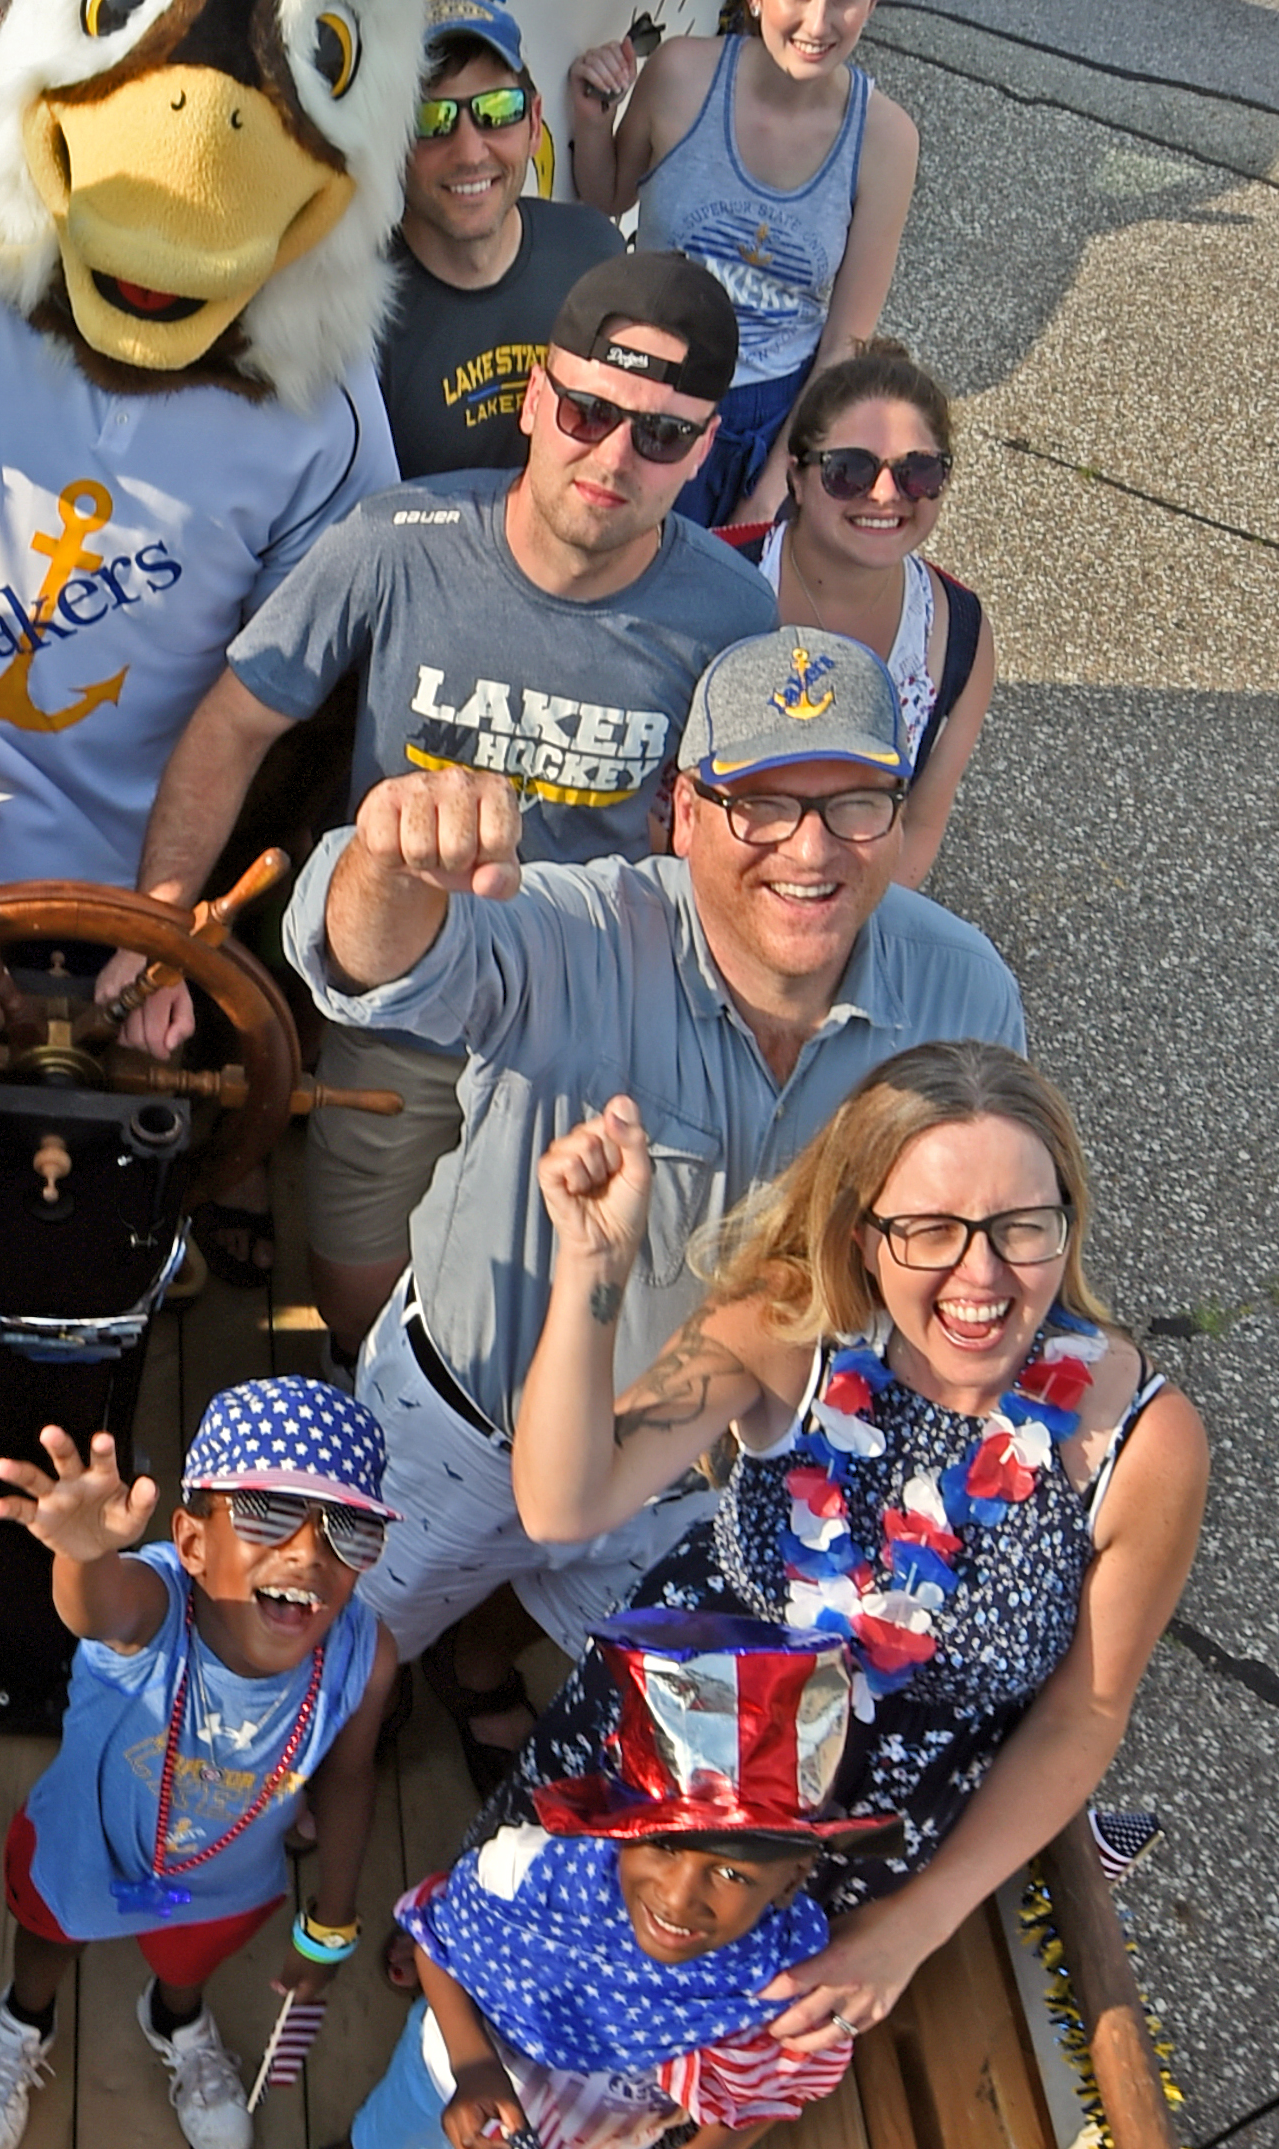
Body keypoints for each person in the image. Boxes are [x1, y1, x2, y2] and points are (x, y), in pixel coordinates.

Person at [283, 625, 1027, 1760]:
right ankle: (295, 1780)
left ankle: (477, 1667)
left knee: (603, 1671)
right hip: (462, 1425)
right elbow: (373, 968)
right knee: (326, 1648)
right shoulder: (578, 926)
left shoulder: (962, 985)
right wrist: (383, 860)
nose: (808, 848)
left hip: (693, 1472)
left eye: (852, 802)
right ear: (677, 813)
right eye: (759, 803)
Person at [496, 1043, 1208, 2047]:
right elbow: (561, 1506)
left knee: (707, 2049)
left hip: (879, 1835)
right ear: (861, 1232)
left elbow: (1080, 1716)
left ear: (1065, 1223)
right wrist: (589, 1271)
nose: (982, 1276)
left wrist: (908, 1927)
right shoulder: (788, 1326)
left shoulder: (1139, 1443)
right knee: (519, 1947)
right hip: (665, 1754)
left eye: (1020, 1228)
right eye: (928, 1230)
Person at [130, 254, 764, 1354]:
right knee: (352, 1300)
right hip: (398, 1001)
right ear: (532, 398)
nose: (611, 456)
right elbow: (232, 725)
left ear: (702, 449)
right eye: (586, 410)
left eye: (660, 435)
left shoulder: (731, 615)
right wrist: (158, 939)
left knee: (559, 1316)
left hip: (586, 1025)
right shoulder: (394, 542)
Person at [237, 1615, 882, 2149]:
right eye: (662, 1846)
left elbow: (776, 2083)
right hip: (462, 2066)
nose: (677, 1896)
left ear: (794, 1878)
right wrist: (476, 2065)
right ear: (619, 1823)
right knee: (398, 2147)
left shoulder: (791, 1980)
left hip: (604, 2124)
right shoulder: (536, 1871)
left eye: (731, 1871)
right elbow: (437, 1943)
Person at [0, 1381, 403, 2149]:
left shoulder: (366, 1659)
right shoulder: (155, 1608)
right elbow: (100, 1608)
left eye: (348, 1528)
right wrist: (82, 1553)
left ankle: (174, 2016)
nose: (306, 1551)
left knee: (189, 1961)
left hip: (225, 1877)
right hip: (82, 1850)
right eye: (266, 1513)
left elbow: (349, 1776)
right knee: (48, 1939)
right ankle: (25, 2016)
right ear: (191, 1545)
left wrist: (331, 1921)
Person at [572, 0, 918, 526]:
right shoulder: (679, 75)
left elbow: (844, 340)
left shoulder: (884, 139)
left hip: (767, 420)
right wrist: (592, 117)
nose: (819, 23)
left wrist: (770, 488)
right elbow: (608, 198)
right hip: (642, 384)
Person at [715, 341, 994, 883]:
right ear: (795, 476)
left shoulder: (959, 633)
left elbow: (919, 827)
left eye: (919, 471)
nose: (887, 495)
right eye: (849, 471)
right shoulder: (711, 577)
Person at [372, 0, 623, 483]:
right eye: (430, 118)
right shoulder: (356, 310)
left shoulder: (594, 253)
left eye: (497, 108)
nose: (468, 151)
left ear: (533, 123)